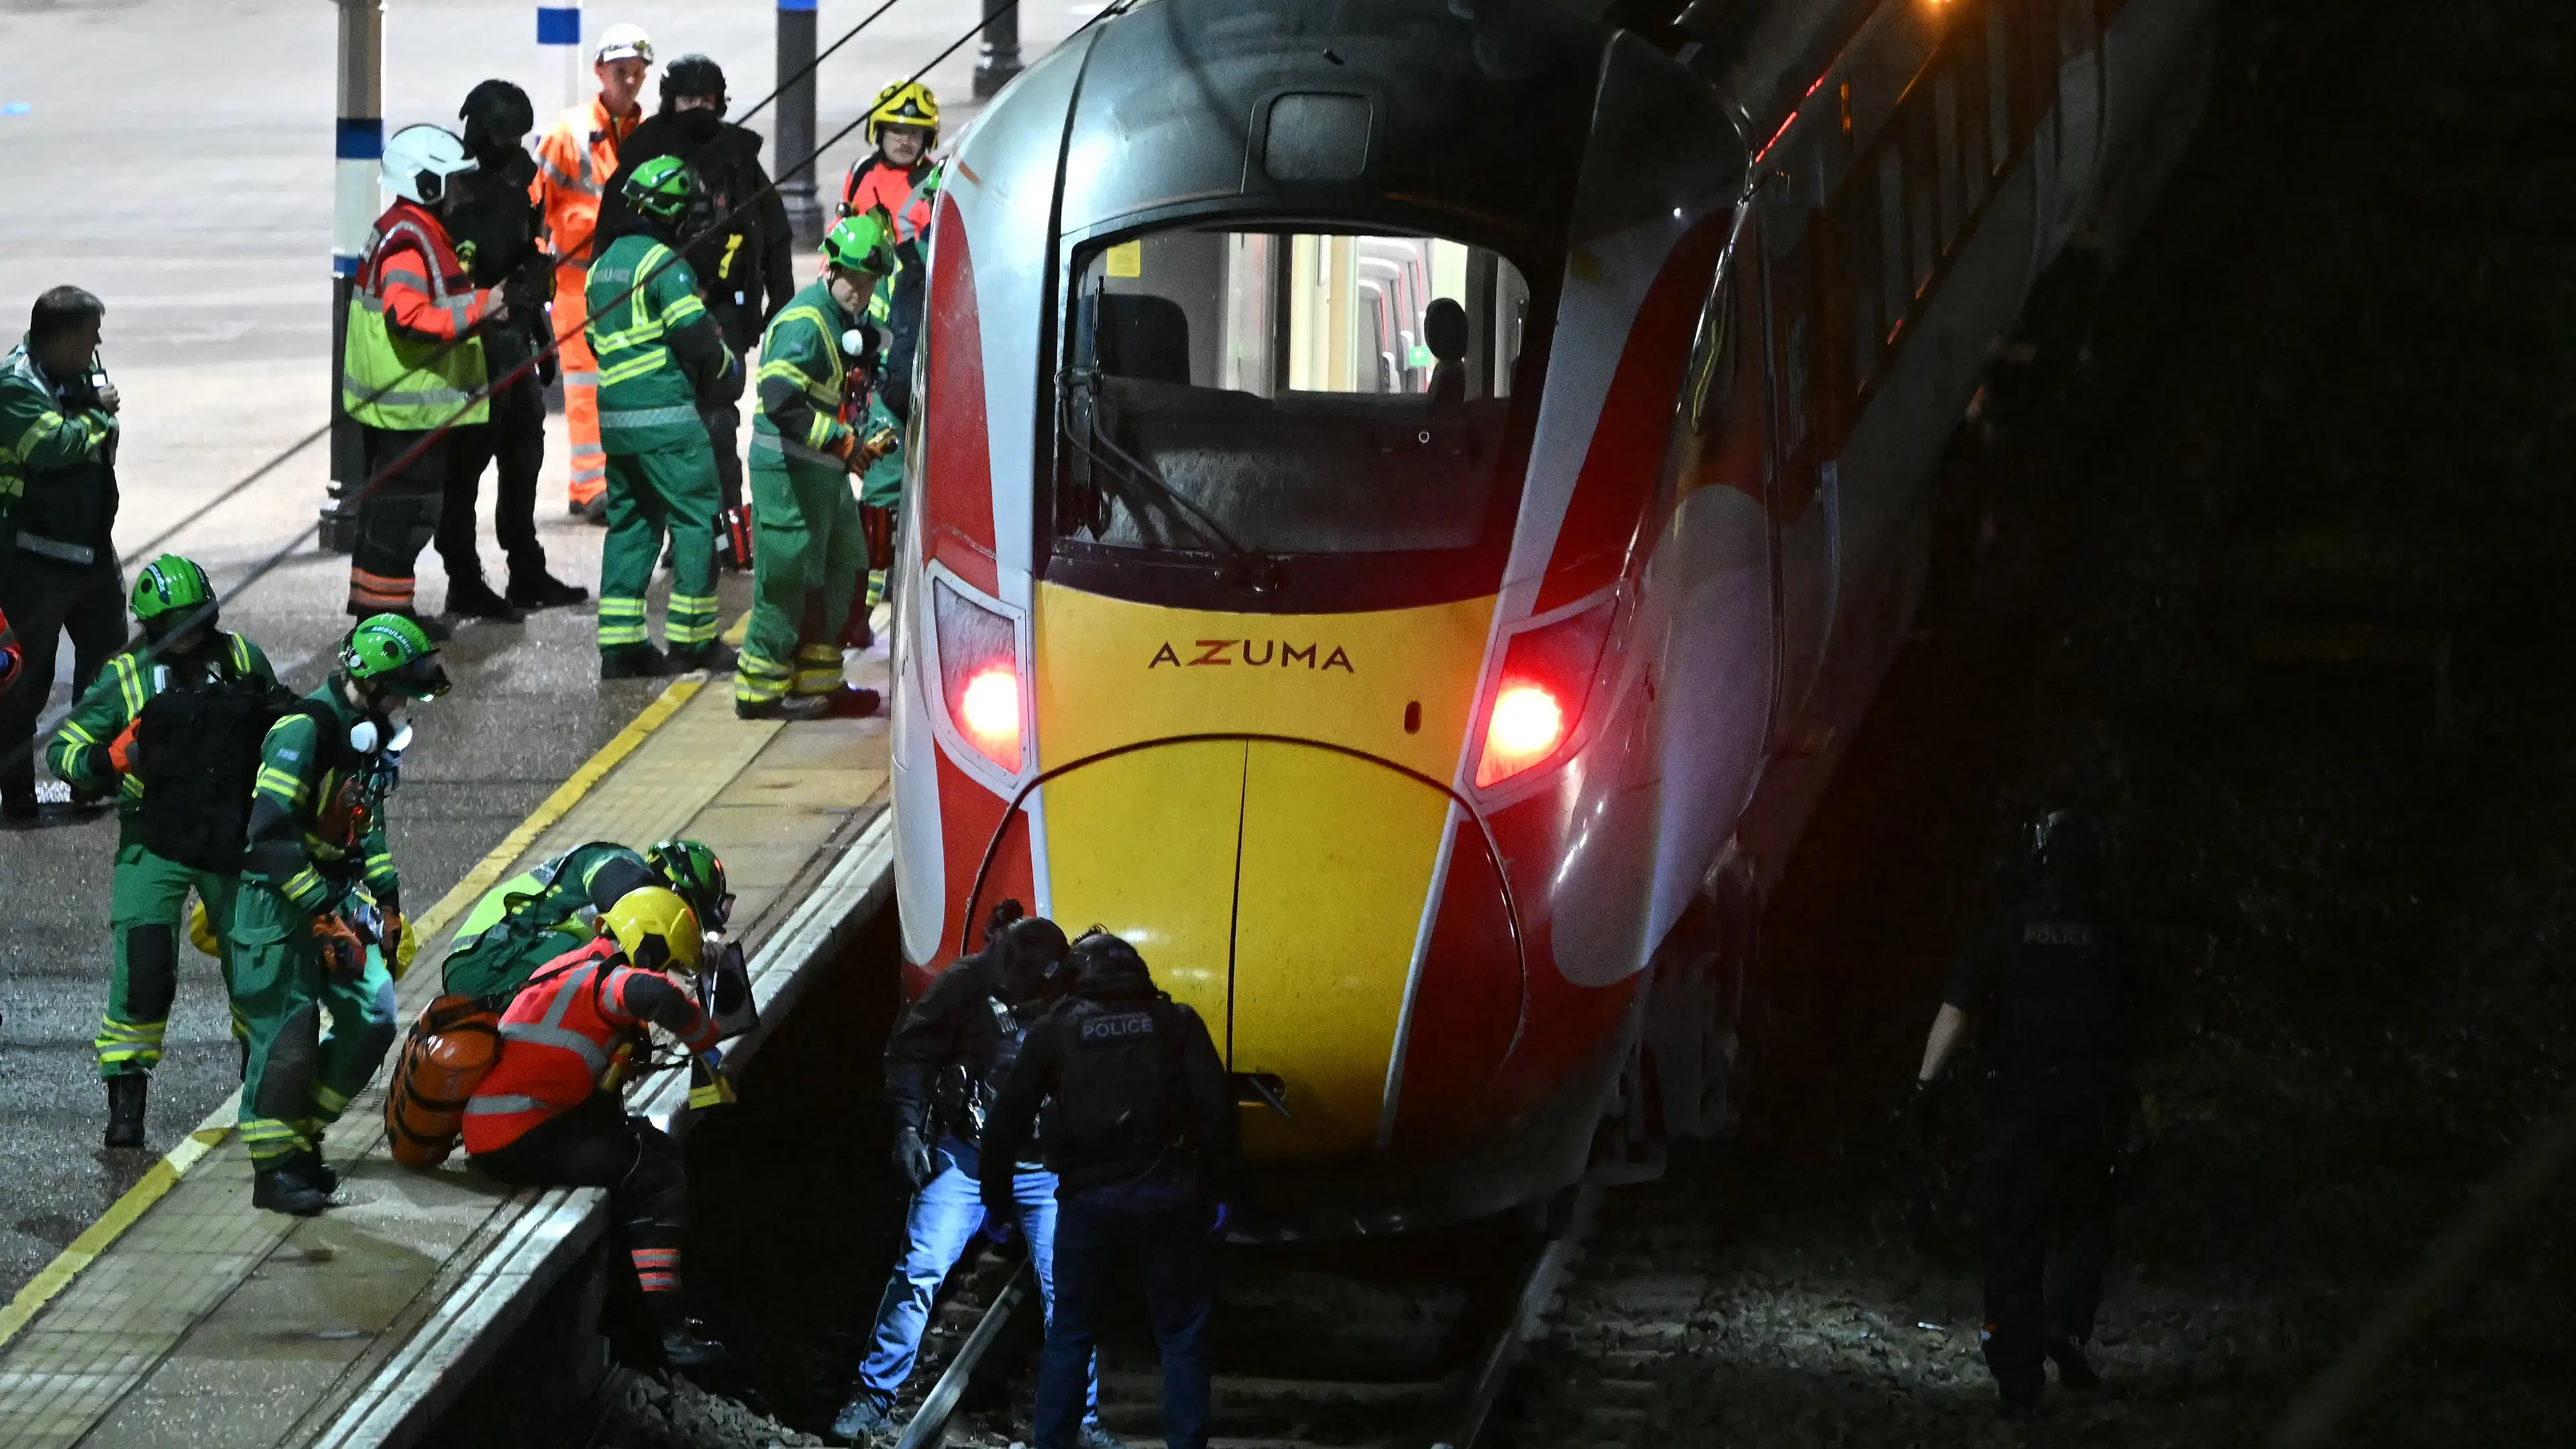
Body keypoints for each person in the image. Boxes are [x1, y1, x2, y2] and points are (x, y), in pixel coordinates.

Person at [832, 904, 1116, 1446]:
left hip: (1044, 1168)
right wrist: (910, 1129)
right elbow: (912, 1052)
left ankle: (1081, 1420)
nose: (1011, 995)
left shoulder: (1079, 1000)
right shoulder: (967, 983)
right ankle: (872, 1396)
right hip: (967, 1155)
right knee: (919, 1269)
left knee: (1069, 1292)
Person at [46, 555, 281, 1146]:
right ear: (154, 624)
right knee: (144, 972)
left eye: (201, 617)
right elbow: (64, 751)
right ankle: (127, 1098)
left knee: (255, 967)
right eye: (181, 623)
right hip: (154, 841)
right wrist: (110, 759)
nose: (195, 632)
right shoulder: (125, 675)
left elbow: (284, 722)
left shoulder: (244, 660)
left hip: (232, 839)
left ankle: (262, 1086)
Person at [1911, 808, 2133, 1421]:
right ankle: (2065, 1323)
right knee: (2088, 1217)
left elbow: (1957, 1011)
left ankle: (2017, 1374)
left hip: (2021, 1106)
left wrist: (1926, 1085)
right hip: (2093, 1102)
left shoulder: (2007, 932)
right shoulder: (2112, 936)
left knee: (2015, 1233)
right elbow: (2142, 1023)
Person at [981, 930, 1236, 1449]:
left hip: (1088, 1204)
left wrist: (997, 1201)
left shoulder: (1056, 1030)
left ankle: (1052, 1442)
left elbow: (1006, 1121)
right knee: (1182, 1337)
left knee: (1072, 1333)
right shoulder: (1176, 1022)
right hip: (1168, 1197)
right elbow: (1217, 1114)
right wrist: (1223, 1191)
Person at [232, 614, 448, 1215]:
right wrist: (323, 911)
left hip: (334, 899)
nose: (406, 707)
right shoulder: (304, 732)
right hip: (279, 906)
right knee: (288, 1038)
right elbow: (269, 838)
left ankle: (301, 1137)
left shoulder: (366, 737)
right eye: (401, 693)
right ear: (371, 684)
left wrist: (388, 900)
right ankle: (274, 1170)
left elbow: (365, 825)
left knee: (374, 1018)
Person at [464, 885, 730, 1366]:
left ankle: (640, 1312)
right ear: (649, 946)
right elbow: (650, 993)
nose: (668, 973)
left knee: (650, 1148)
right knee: (655, 1173)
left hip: (507, 1126)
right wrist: (705, 1041)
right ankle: (668, 1331)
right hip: (518, 1135)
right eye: (669, 962)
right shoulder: (607, 980)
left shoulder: (571, 964)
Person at [598, 53, 797, 530]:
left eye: (706, 100)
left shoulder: (738, 155)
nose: (698, 109)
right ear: (670, 102)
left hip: (724, 310)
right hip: (653, 312)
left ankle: (725, 528)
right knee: (665, 424)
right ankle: (670, 527)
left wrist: (781, 300)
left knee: (717, 421)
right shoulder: (642, 151)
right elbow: (609, 239)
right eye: (688, 100)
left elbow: (772, 229)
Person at [341, 123, 510, 635]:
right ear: (426, 184)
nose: (458, 194)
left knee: (389, 513)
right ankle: (386, 620)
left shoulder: (409, 229)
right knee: (404, 514)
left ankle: (379, 612)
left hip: (400, 407)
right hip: (409, 409)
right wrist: (485, 307)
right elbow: (409, 316)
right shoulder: (410, 241)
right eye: (451, 183)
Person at [733, 214, 898, 722]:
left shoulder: (846, 322)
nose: (862, 293)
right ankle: (759, 691)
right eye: (855, 281)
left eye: (870, 284)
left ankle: (820, 681)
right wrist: (843, 441)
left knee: (843, 570)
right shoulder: (806, 322)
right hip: (788, 472)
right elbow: (780, 400)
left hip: (822, 470)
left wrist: (855, 442)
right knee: (787, 578)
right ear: (832, 270)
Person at [586, 155, 740, 680]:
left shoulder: (602, 265)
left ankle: (622, 648)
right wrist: (726, 367)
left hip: (616, 420)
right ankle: (693, 641)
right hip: (667, 417)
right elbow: (694, 335)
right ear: (673, 212)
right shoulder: (664, 265)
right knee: (697, 518)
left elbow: (592, 338)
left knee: (631, 522)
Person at [445, 79, 590, 615]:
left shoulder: (522, 177)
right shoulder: (452, 184)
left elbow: (530, 243)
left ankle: (525, 570)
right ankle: (464, 578)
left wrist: (540, 323)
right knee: (465, 468)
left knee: (523, 455)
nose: (513, 149)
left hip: (517, 338)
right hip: (473, 347)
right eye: (504, 138)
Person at [1, 285, 124, 821]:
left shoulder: (85, 368)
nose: (99, 342)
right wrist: (96, 419)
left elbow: (107, 426)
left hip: (92, 552)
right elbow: (54, 447)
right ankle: (18, 792)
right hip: (34, 560)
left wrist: (95, 419)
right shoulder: (14, 386)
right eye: (91, 332)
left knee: (104, 674)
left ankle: (87, 779)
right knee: (25, 683)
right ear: (63, 337)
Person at [536, 22, 655, 523]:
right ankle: (590, 487)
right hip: (575, 284)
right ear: (599, 71)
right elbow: (535, 204)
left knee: (619, 382)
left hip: (626, 286)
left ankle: (611, 482)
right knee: (586, 388)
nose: (628, 81)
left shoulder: (646, 135)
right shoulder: (569, 134)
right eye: (620, 72)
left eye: (637, 73)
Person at [441, 837, 733, 1001]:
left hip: (510, 962)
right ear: (673, 888)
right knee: (606, 973)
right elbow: (619, 886)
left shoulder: (640, 919)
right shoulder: (618, 862)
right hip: (491, 955)